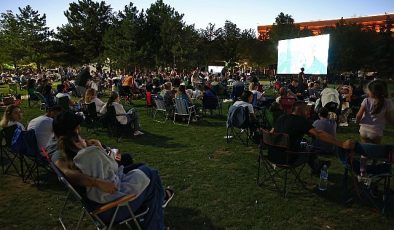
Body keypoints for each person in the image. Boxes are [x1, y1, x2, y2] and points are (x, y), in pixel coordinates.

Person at [48, 112, 173, 230]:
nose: (80, 130)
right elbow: (69, 174)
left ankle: (158, 199)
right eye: (77, 128)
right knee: (152, 175)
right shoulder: (59, 153)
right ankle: (157, 218)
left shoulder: (70, 146)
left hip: (104, 196)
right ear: (72, 131)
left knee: (142, 168)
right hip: (109, 208)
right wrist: (97, 182)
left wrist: (97, 146)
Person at [272, 101, 354, 173]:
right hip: (288, 159)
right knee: (310, 150)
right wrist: (340, 144)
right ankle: (318, 167)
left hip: (273, 155)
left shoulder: (281, 118)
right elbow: (318, 134)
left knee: (304, 144)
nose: (308, 112)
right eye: (306, 110)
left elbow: (271, 133)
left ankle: (319, 164)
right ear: (300, 111)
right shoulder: (301, 121)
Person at [356, 79, 394, 144]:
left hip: (364, 130)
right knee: (375, 151)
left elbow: (358, 115)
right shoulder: (387, 102)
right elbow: (389, 118)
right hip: (376, 131)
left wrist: (357, 122)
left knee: (365, 150)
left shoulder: (366, 100)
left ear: (372, 91)